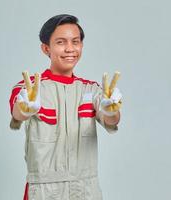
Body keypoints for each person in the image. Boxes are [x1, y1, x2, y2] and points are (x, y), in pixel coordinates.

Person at [9, 14, 122, 200]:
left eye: (75, 42)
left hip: (86, 189)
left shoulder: (92, 89)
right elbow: (17, 112)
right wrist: (24, 109)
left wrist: (112, 109)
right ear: (46, 48)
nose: (70, 48)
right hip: (45, 190)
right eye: (61, 42)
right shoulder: (30, 88)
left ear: (81, 46)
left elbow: (111, 120)